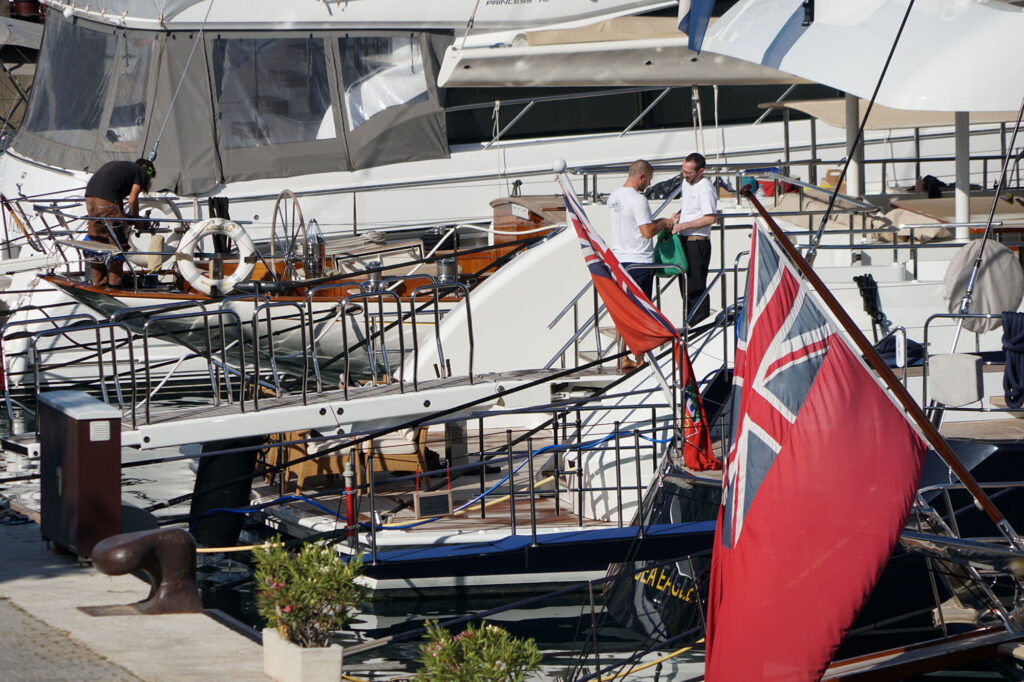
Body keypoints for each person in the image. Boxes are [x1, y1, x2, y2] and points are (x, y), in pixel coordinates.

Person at [607, 159, 675, 370]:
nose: (649, 184)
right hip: (639, 262)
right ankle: (640, 358)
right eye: (649, 180)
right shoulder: (638, 200)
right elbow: (646, 232)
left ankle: (622, 356)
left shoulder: (614, 196)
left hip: (619, 261)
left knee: (623, 311)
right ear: (641, 177)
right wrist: (664, 222)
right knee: (640, 311)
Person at [84, 158, 155, 286]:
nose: (147, 181)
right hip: (106, 201)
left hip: (90, 198)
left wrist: (127, 218)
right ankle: (115, 284)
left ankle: (99, 282)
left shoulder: (123, 168)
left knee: (96, 242)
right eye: (149, 179)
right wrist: (136, 219)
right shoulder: (141, 172)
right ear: (148, 172)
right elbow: (132, 199)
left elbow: (116, 206)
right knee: (117, 244)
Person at [671, 152, 717, 323]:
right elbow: (691, 208)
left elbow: (710, 218)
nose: (684, 175)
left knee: (695, 288)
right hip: (684, 241)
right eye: (683, 171)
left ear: (700, 171)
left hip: (697, 243)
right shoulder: (686, 183)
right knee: (685, 288)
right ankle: (690, 324)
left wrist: (683, 225)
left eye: (688, 172)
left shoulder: (705, 188)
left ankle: (699, 324)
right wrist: (679, 215)